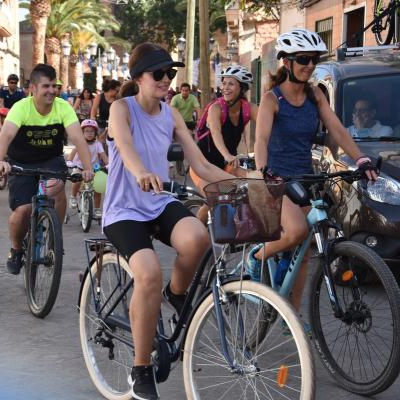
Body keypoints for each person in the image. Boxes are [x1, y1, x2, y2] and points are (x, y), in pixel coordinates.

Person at [103, 42, 232, 399]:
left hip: (158, 202)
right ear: (139, 77)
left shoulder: (170, 113)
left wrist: (239, 182)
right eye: (158, 73)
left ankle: (175, 295)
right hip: (124, 209)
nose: (166, 79)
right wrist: (141, 170)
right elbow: (125, 145)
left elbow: (200, 164)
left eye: (170, 73)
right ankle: (140, 369)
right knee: (147, 273)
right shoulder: (121, 108)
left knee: (197, 238)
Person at [251, 28, 378, 320]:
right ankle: (256, 258)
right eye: (303, 59)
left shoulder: (315, 95)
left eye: (314, 59)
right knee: (296, 231)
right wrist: (263, 169)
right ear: (287, 63)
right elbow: (260, 140)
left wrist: (361, 159)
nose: (310, 65)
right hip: (276, 180)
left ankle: (292, 318)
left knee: (304, 252)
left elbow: (337, 128)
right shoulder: (273, 99)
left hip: (305, 179)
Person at [0, 64, 94, 275]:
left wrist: (87, 168)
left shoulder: (63, 107)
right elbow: (6, 136)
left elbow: (78, 138)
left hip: (51, 161)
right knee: (22, 212)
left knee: (57, 188)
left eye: (54, 86)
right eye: (45, 86)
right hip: (22, 163)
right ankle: (16, 248)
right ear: (33, 88)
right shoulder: (21, 107)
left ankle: (55, 237)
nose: (51, 91)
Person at [190, 65, 258, 223]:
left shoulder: (248, 109)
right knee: (214, 197)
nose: (225, 88)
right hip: (202, 163)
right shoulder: (216, 107)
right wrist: (227, 155)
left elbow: (266, 127)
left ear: (242, 88)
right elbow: (215, 133)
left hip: (226, 164)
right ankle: (196, 232)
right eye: (224, 83)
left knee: (256, 182)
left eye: (231, 84)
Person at [67, 119, 108, 218]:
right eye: (87, 131)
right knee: (76, 179)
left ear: (95, 133)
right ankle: (73, 196)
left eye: (92, 131)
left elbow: (104, 157)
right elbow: (71, 155)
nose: (89, 133)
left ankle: (97, 209)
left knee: (98, 187)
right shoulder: (80, 143)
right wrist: (69, 162)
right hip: (79, 166)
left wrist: (108, 164)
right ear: (82, 133)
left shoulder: (98, 144)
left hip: (94, 168)